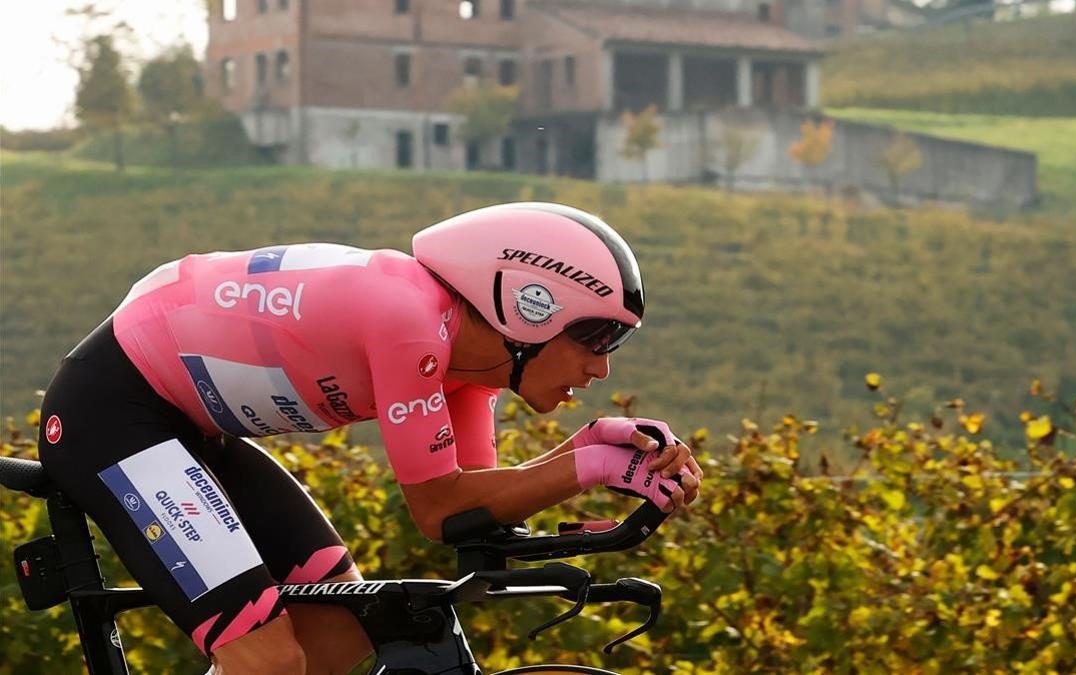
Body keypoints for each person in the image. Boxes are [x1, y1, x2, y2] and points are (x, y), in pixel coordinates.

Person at [36, 202, 703, 674]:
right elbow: (437, 505)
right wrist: (585, 465)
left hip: (188, 429)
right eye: (595, 336)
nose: (602, 366)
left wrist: (600, 447)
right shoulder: (408, 318)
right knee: (265, 657)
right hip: (112, 412)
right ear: (528, 305)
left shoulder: (470, 369)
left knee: (341, 629)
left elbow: (468, 508)